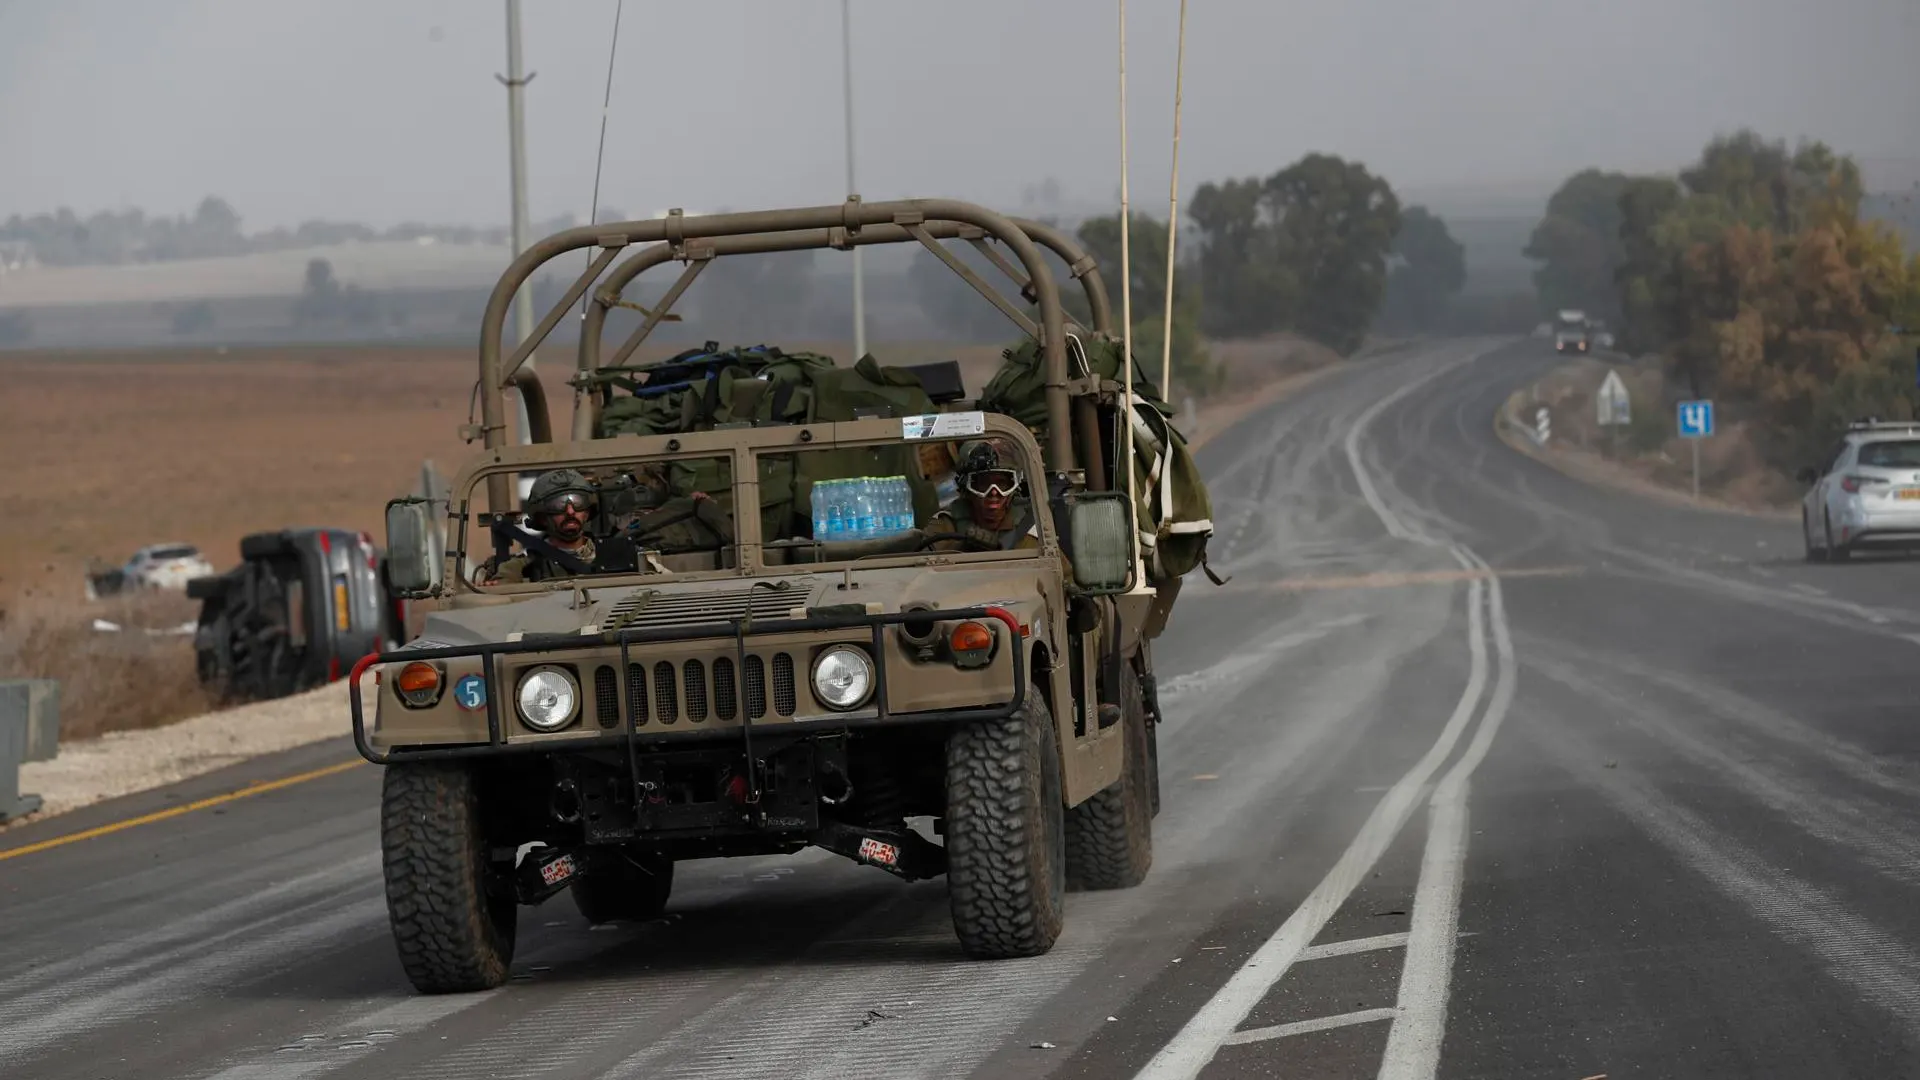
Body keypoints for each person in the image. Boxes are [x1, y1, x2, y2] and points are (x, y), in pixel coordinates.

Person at [479, 468, 645, 584]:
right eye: (559, 505)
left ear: (587, 512)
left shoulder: (619, 553)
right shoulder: (525, 564)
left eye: (577, 502)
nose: (570, 511)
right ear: (543, 518)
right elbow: (501, 594)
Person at [925, 439, 1040, 550]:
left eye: (1002, 483)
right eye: (983, 483)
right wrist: (961, 549)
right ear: (966, 488)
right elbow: (922, 560)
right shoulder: (946, 523)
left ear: (1014, 486)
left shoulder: (1032, 524)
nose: (994, 492)